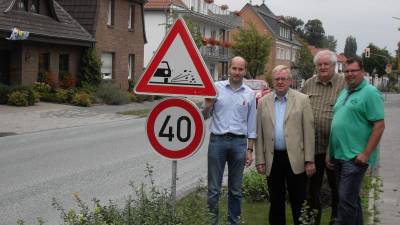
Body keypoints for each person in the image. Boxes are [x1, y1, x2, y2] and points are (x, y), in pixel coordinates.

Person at [327, 57, 385, 225]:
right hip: (339, 155)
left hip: (355, 157)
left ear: (362, 72)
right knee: (350, 199)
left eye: (354, 70)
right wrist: (330, 153)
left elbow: (379, 125)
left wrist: (366, 153)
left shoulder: (370, 93)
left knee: (345, 200)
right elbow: (336, 122)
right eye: (347, 71)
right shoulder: (345, 92)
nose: (350, 74)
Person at [255, 65, 316, 225]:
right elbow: (259, 133)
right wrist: (260, 159)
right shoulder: (263, 102)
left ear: (290, 80)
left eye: (284, 79)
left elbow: (308, 131)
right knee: (276, 201)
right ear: (273, 81)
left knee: (299, 200)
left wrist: (309, 160)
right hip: (273, 158)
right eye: (277, 79)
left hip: (296, 158)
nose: (280, 82)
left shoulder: (302, 100)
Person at [203, 56, 256, 225]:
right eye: (234, 68)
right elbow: (204, 116)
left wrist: (249, 150)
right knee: (213, 189)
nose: (237, 72)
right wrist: (208, 105)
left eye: (241, 69)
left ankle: (233, 222)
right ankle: (212, 222)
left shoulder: (250, 94)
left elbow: (252, 125)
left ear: (245, 71)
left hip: (239, 144)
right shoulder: (216, 89)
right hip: (217, 141)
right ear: (229, 69)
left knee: (235, 190)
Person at [301, 50, 345, 225]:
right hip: (313, 148)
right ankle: (313, 220)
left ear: (334, 65)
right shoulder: (309, 84)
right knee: (312, 190)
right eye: (319, 64)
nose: (323, 67)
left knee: (338, 189)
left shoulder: (343, 84)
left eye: (326, 64)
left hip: (335, 149)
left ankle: (336, 220)